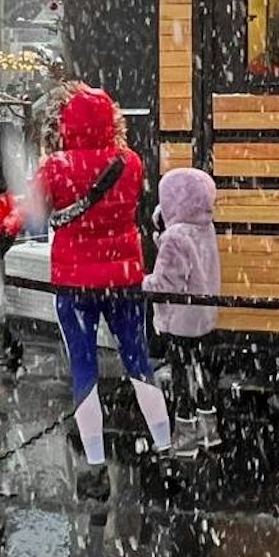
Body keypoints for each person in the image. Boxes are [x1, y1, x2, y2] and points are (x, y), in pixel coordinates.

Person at [36, 86, 170, 500]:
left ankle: (95, 468)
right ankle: (165, 450)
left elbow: (34, 214)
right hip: (124, 278)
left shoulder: (54, 168)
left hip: (74, 285)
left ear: (67, 123)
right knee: (138, 361)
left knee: (84, 368)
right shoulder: (129, 162)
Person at [144, 166, 221, 458]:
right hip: (204, 316)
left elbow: (165, 283)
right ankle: (209, 432)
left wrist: (142, 282)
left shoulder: (175, 237)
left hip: (180, 320)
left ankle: (185, 437)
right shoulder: (205, 227)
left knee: (180, 377)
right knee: (201, 374)